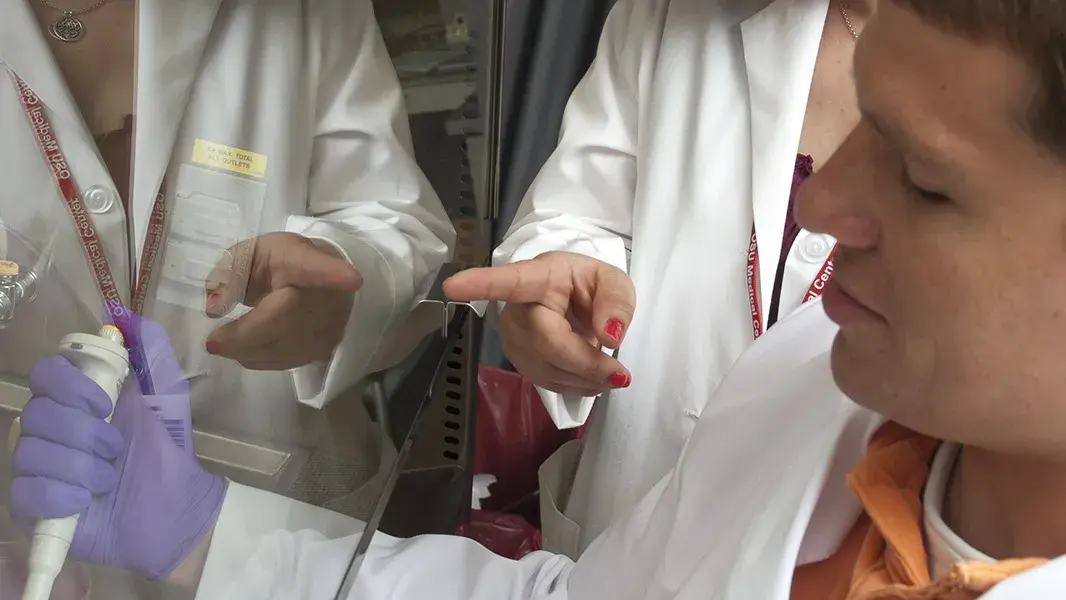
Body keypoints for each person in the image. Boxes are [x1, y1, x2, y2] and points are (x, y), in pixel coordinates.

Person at [15, 0, 1066, 597]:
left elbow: (393, 230)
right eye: (855, 131)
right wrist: (208, 536)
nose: (824, 199)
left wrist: (343, 280)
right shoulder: (803, 394)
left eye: (922, 180)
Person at [0, 0, 454, 503]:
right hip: (19, 501)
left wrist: (340, 285)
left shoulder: (305, 11)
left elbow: (392, 218)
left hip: (278, 500)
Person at [487, 0, 873, 556]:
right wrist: (566, 294)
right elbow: (581, 214)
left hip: (852, 548)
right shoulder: (666, 14)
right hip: (633, 513)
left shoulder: (1025, 55)